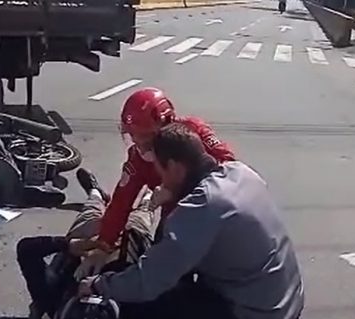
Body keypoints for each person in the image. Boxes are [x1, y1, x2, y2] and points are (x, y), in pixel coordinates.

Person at [78, 122, 305, 319]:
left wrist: (98, 285)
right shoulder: (240, 172)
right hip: (286, 301)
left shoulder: (201, 208)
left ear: (175, 167)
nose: (160, 180)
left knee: (167, 312)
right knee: (182, 288)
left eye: (161, 171)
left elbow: (150, 279)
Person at [75, 87, 237, 271]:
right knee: (163, 263)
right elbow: (121, 202)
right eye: (133, 135)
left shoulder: (193, 131)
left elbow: (229, 168)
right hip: (173, 214)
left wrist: (177, 192)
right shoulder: (137, 159)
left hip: (211, 213)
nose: (140, 144)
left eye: (146, 137)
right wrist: (103, 246)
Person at [15, 169, 156, 319]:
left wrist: (68, 245)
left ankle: (95, 193)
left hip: (85, 246)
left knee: (91, 213)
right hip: (131, 247)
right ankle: (147, 194)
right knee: (141, 214)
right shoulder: (140, 316)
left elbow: (26, 249)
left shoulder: (52, 301)